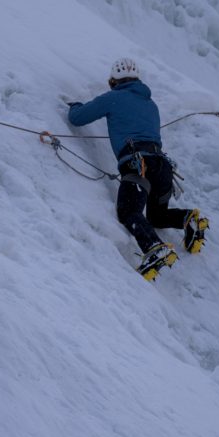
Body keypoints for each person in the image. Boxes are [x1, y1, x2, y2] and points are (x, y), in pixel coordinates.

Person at [66, 57, 208, 281]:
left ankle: (154, 248)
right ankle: (188, 219)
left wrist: (74, 105)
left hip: (138, 165)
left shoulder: (113, 98)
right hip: (162, 167)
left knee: (128, 211)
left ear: (114, 81)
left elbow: (77, 118)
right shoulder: (151, 104)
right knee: (157, 217)